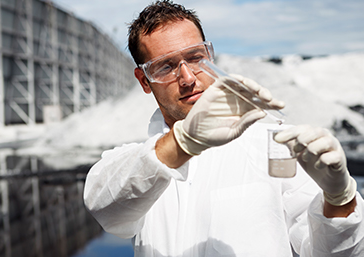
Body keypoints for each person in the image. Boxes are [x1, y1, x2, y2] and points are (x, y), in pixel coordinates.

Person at [84, 1, 364, 256]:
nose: (187, 77)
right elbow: (106, 206)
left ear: (210, 55)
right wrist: (183, 142)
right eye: (165, 66)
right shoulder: (137, 162)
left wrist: (339, 200)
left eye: (195, 57)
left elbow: (328, 253)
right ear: (144, 80)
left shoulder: (273, 146)